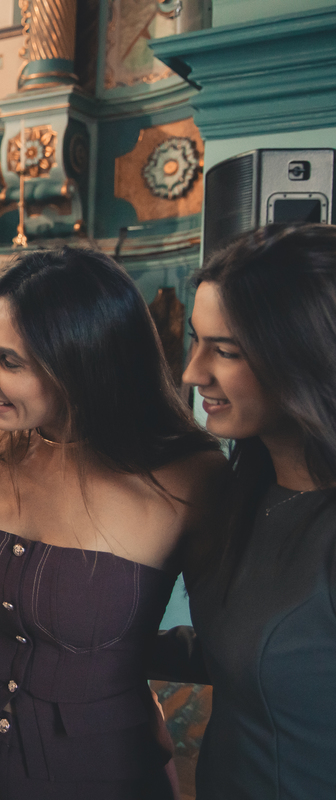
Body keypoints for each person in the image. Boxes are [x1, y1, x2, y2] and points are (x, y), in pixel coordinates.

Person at [0, 247, 222, 800]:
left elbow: (229, 642)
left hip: (99, 771)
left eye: (9, 361)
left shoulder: (189, 479)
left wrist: (110, 667)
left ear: (84, 363)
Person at [160, 223, 336, 799]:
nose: (193, 372)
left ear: (310, 352)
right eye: (196, 341)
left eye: (226, 350)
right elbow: (250, 655)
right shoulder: (243, 490)